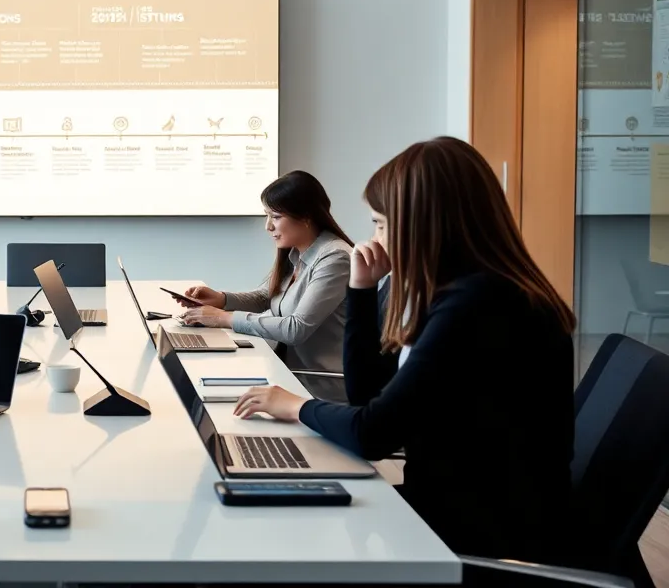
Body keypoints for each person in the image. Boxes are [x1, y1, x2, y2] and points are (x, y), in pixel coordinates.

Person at [232, 137, 575, 565]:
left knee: (274, 543)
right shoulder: (442, 289)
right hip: (447, 505)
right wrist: (361, 291)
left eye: (380, 224)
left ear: (423, 223)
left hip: (479, 535)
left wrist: (293, 406)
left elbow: (373, 434)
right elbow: (367, 396)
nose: (372, 238)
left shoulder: (479, 304)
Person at [173, 171, 354, 379]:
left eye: (276, 217)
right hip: (283, 370)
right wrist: (222, 299)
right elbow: (264, 297)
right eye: (267, 216)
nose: (268, 226)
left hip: (317, 384)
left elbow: (296, 328)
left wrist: (224, 318)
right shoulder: (297, 252)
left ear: (306, 216)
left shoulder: (336, 258)